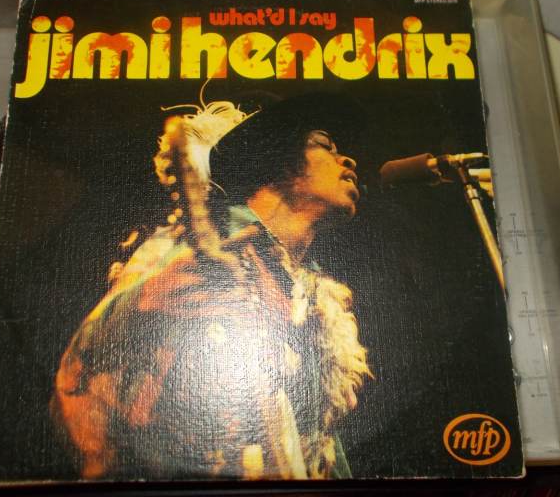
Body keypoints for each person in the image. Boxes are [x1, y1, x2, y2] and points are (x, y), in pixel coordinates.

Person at [52, 92, 372, 481]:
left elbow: (318, 449)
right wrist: (145, 301)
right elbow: (78, 385)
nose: (348, 160)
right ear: (278, 160)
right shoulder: (198, 245)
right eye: (323, 145)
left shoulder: (320, 303)